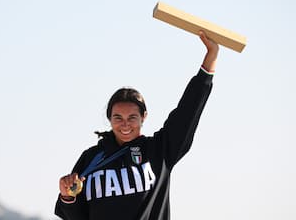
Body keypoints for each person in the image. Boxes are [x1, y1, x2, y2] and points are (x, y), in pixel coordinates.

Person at [55, 31, 219, 220]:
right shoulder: (91, 158)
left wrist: (211, 57)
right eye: (118, 117)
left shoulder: (160, 150)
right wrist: (67, 195)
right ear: (109, 118)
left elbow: (187, 111)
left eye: (132, 117)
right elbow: (77, 216)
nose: (125, 124)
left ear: (144, 117)